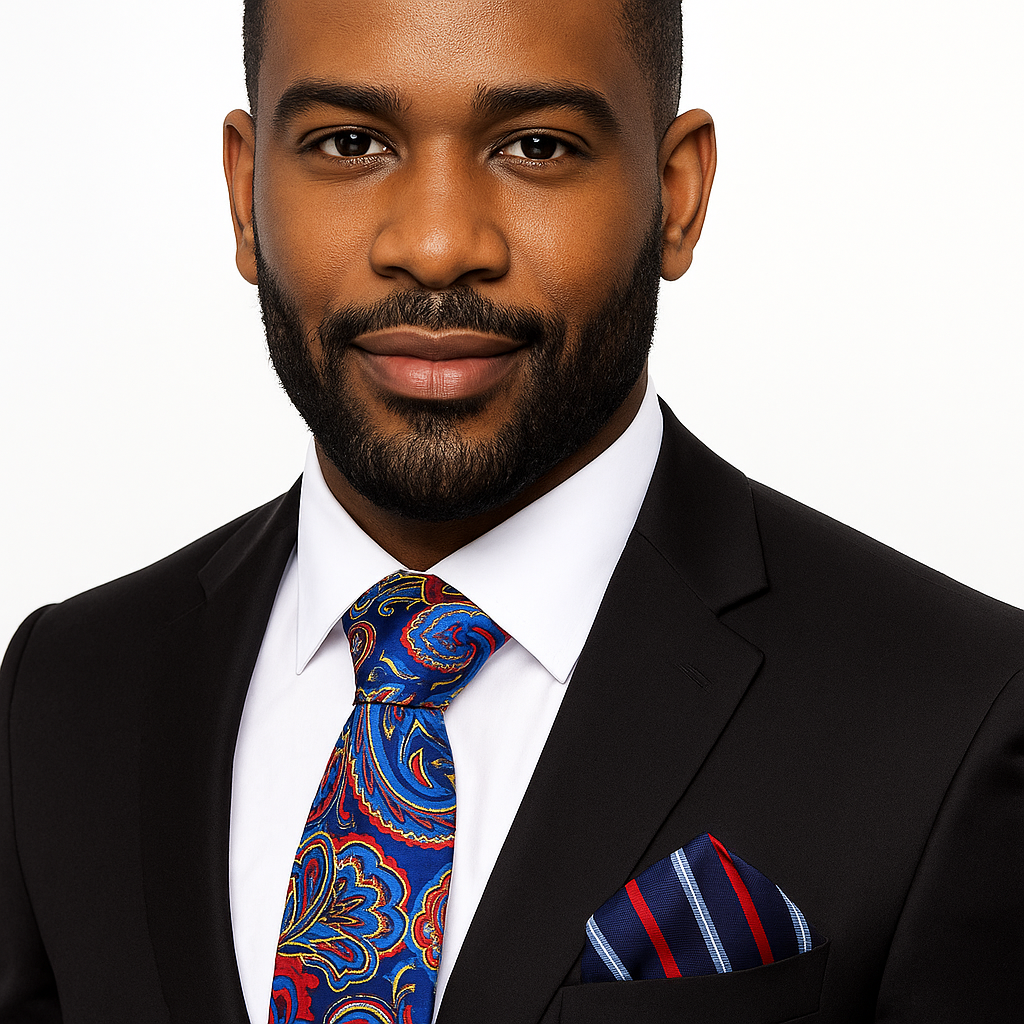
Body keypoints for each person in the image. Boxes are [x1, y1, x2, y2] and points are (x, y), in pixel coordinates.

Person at [1, 0, 1021, 1021]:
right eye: (349, 143)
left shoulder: (960, 715)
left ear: (676, 195)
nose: (438, 245)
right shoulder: (65, 689)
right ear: (244, 189)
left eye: (535, 146)